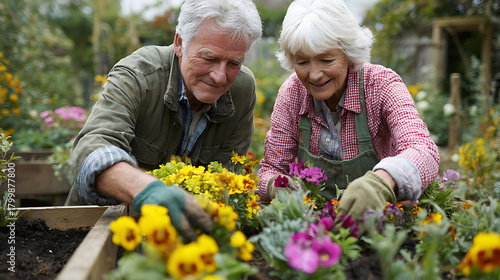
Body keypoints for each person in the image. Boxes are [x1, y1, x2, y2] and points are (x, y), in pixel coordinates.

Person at [65, 0, 262, 240]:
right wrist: (148, 190)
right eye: (209, 58)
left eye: (234, 63)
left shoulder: (242, 88)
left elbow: (227, 174)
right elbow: (91, 151)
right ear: (179, 42)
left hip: (183, 239)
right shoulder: (138, 75)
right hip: (101, 231)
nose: (220, 76)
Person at [257, 0, 439, 228]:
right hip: (316, 229)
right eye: (302, 62)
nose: (314, 75)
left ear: (349, 53)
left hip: (380, 225)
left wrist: (382, 182)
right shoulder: (292, 94)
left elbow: (424, 150)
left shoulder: (380, 85)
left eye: (326, 60)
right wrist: (278, 185)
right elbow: (271, 168)